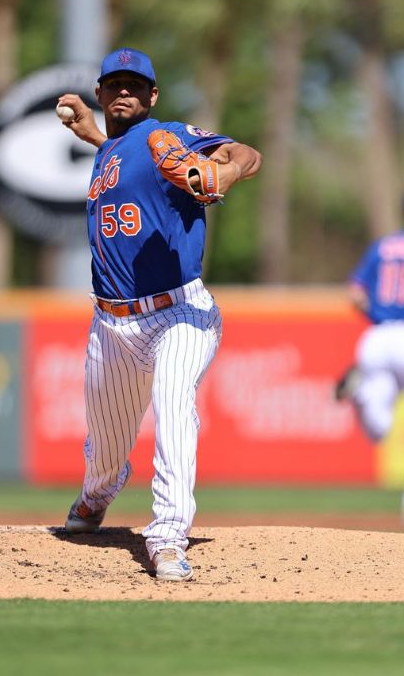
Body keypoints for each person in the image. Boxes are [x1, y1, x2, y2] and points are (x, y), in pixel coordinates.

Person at [57, 47, 262, 580]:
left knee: (173, 401)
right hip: (111, 324)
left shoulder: (163, 134)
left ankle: (168, 536)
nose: (124, 91)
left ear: (152, 96)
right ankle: (97, 495)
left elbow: (246, 153)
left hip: (180, 311)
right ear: (101, 94)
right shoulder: (113, 153)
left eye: (135, 85)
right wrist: (95, 138)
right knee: (104, 449)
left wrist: (227, 173)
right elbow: (132, 171)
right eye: (114, 84)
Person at [335, 184, 404, 530]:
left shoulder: (382, 247)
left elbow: (355, 295)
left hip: (376, 338)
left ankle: (361, 394)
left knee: (379, 428)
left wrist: (382, 315)